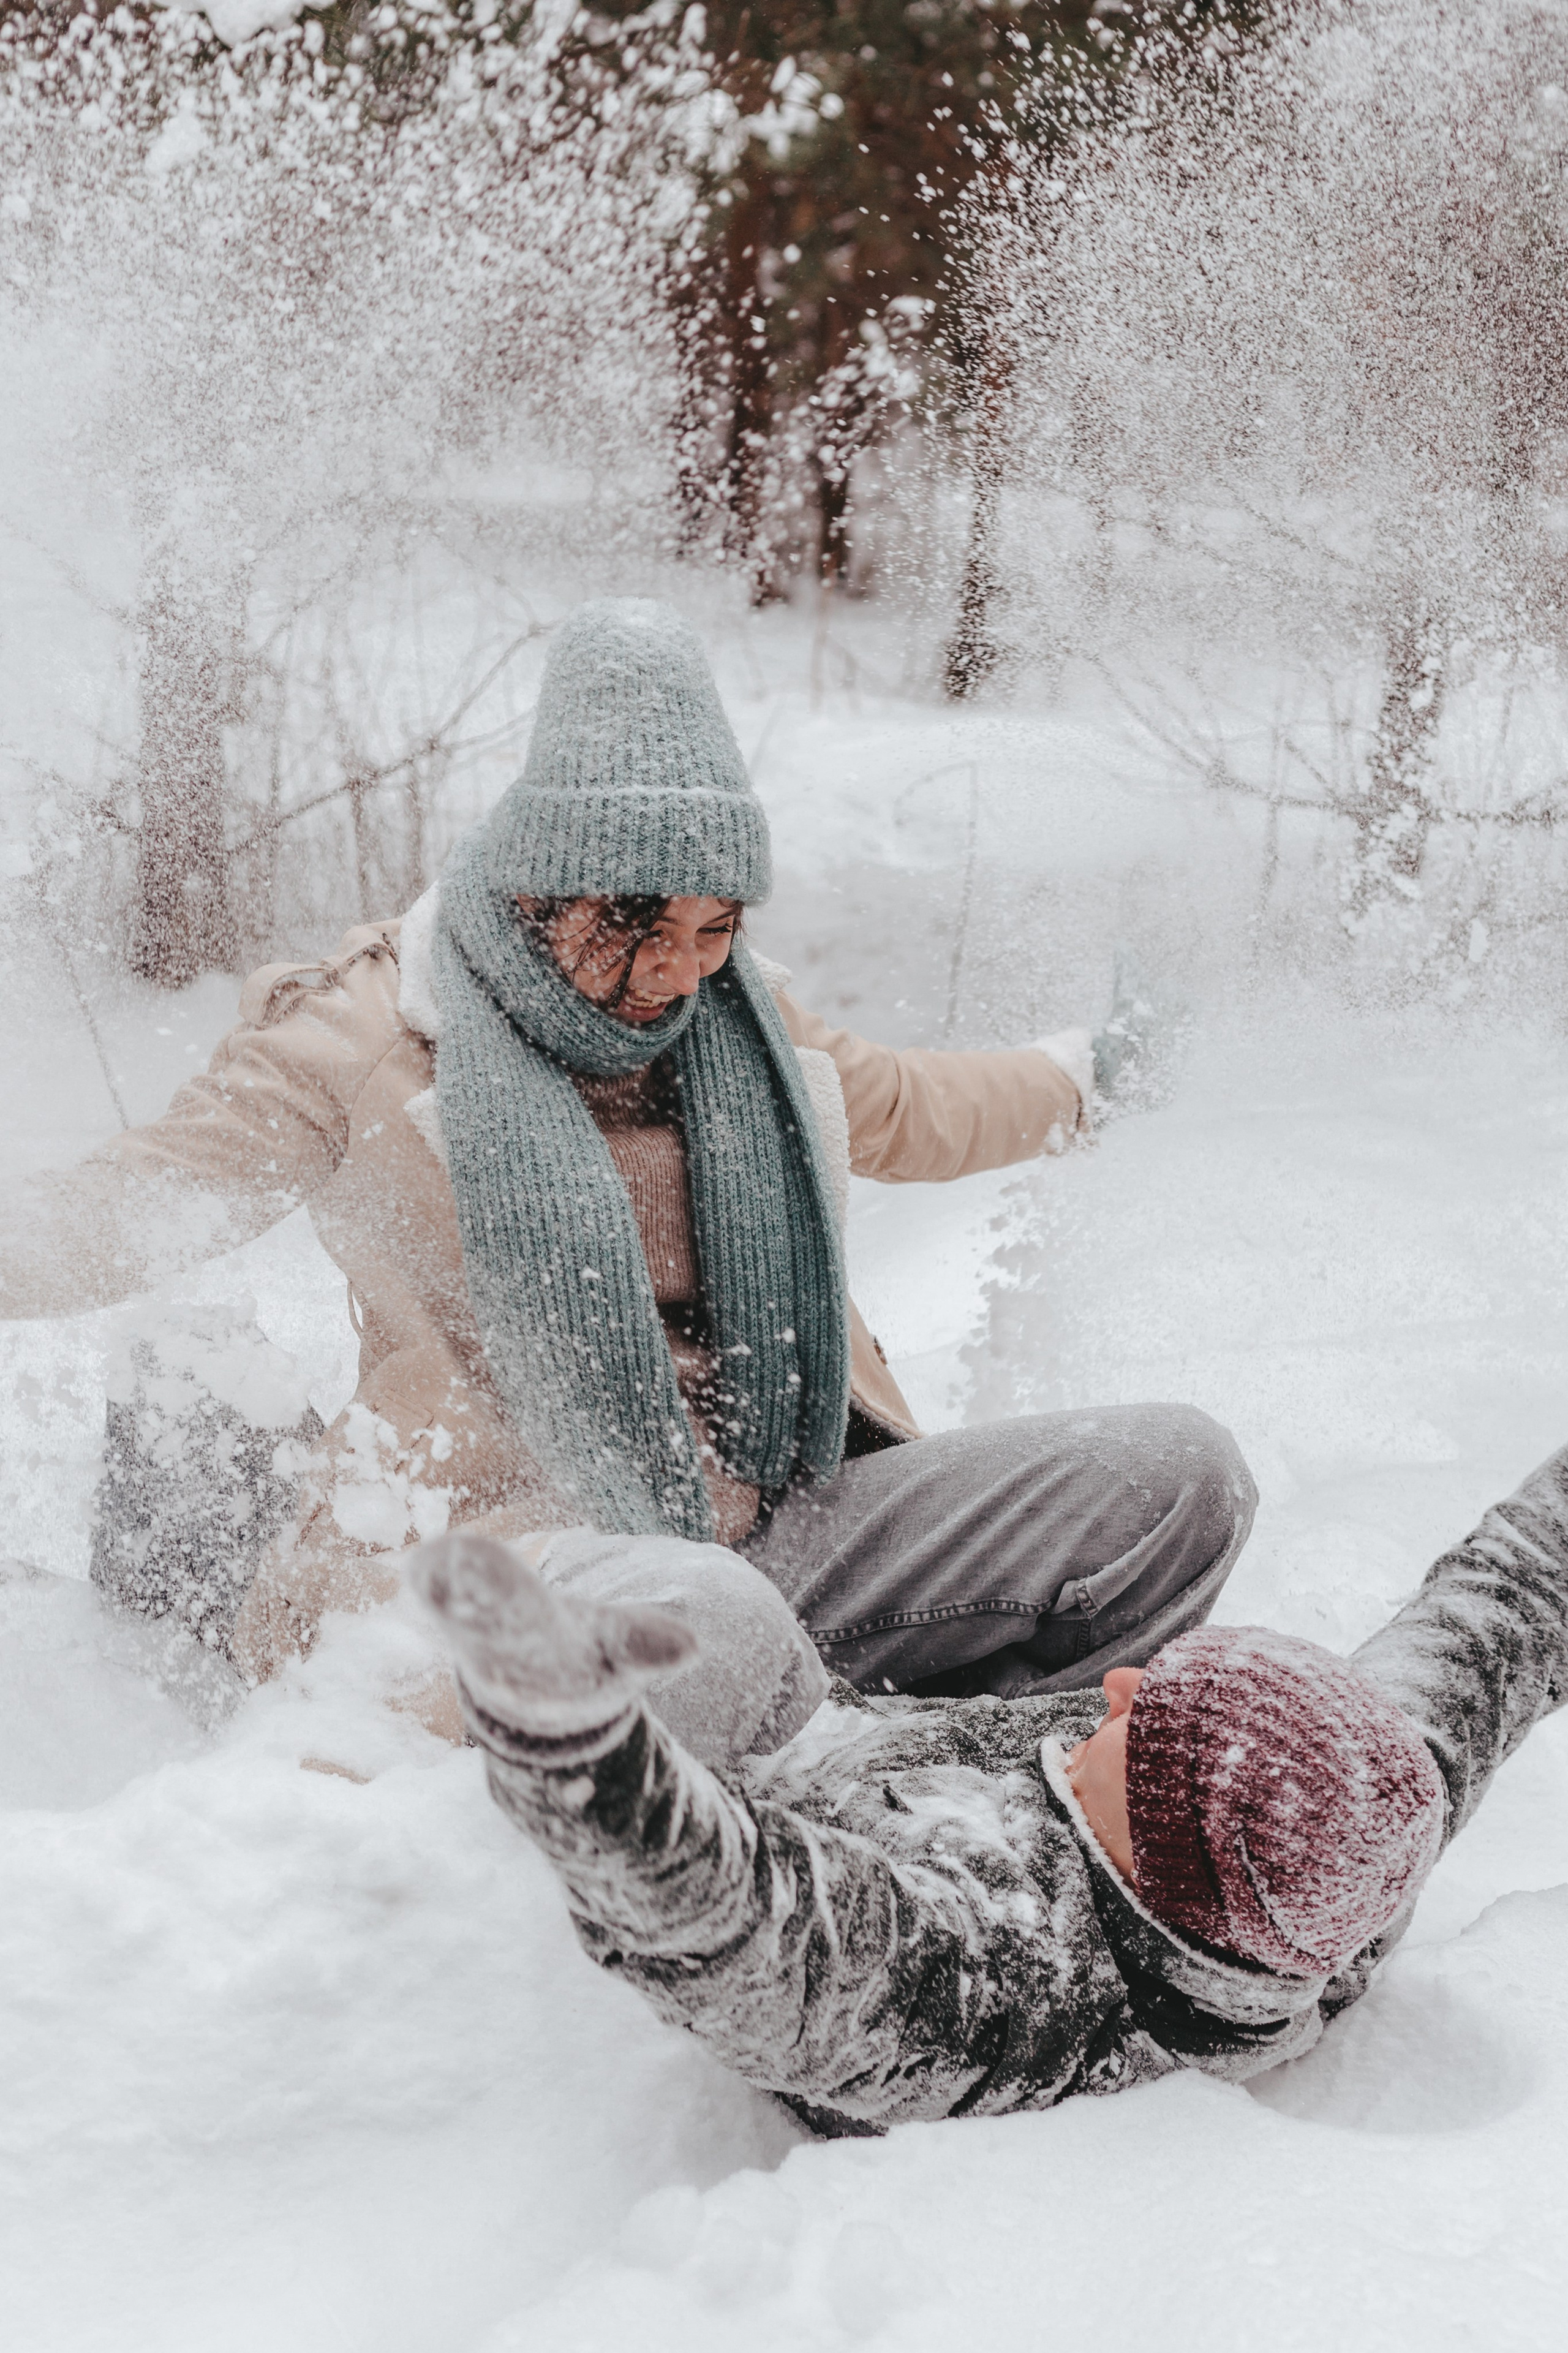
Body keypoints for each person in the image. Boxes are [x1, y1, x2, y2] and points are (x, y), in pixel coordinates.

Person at [0, 597, 1253, 1724]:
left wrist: (1090, 1074)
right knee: (704, 1625)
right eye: (635, 924)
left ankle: (972, 1766)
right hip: (511, 1557)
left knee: (1180, 1477)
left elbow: (908, 1103)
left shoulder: (739, 1021)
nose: (676, 971)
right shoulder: (362, 1035)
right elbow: (135, 1202)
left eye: (713, 927)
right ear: (541, 886)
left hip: (776, 1531)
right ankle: (754, 1767)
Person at [405, 1437, 1568, 2132]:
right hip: (913, 1742)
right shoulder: (1339, 1850)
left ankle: (431, 1617)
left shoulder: (990, 1986)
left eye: (1144, 1725)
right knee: (1171, 1473)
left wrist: (584, 1750)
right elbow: (1497, 1614)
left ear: (1151, 1853)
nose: (1123, 1685)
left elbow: (743, 1929)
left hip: (766, 1781)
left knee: (723, 1619)